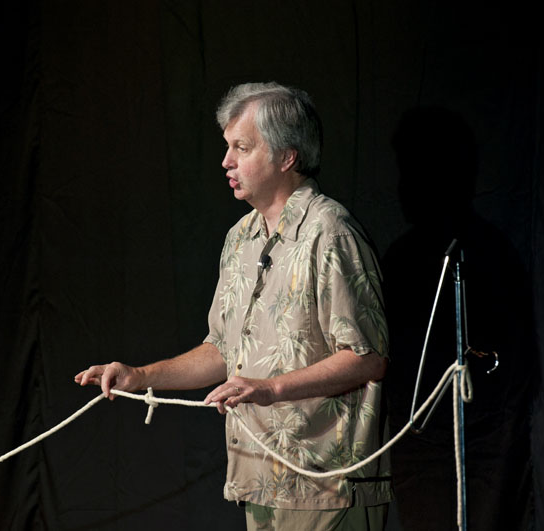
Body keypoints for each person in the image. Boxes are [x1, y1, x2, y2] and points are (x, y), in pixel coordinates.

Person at [75, 82, 392, 531]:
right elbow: (223, 351)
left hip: (326, 485)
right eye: (228, 147)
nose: (227, 161)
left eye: (242, 147)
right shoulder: (241, 237)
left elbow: (367, 358)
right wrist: (140, 376)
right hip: (259, 481)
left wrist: (269, 389)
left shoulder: (330, 233)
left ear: (287, 157)